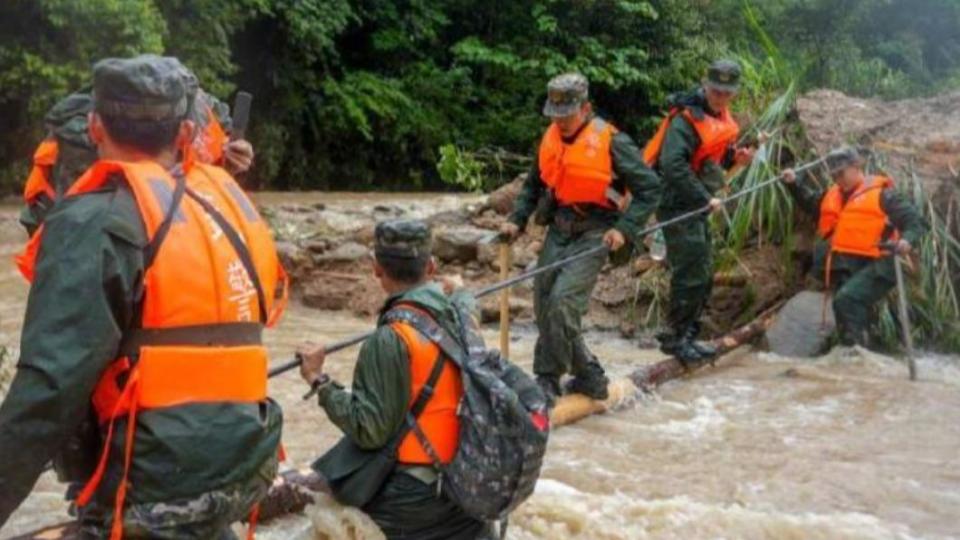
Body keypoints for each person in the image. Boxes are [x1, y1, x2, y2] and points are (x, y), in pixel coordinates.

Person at [0, 54, 285, 539]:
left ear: (93, 127)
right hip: (244, 470)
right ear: (184, 136)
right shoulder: (228, 209)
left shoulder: (93, 220)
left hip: (150, 485)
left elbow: (47, 393)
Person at [297, 219, 494, 539]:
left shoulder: (389, 340)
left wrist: (318, 379)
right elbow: (468, 304)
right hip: (468, 486)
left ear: (377, 269)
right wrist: (459, 289)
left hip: (417, 498)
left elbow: (369, 429)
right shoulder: (461, 317)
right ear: (430, 267)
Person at [499, 73, 662, 404]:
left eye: (567, 115)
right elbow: (534, 184)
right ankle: (588, 374)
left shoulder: (613, 141)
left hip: (597, 231)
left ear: (585, 108)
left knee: (562, 304)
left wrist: (625, 228)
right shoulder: (551, 139)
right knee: (545, 303)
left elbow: (650, 189)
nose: (560, 122)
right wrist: (516, 220)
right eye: (555, 115)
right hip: (559, 228)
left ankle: (547, 378)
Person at [18, 69, 253, 237]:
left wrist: (233, 161)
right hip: (69, 222)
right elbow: (82, 228)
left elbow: (220, 157)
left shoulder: (206, 111)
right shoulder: (94, 138)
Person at [643, 59, 755, 365]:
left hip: (698, 204)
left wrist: (736, 158)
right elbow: (673, 165)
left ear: (733, 93)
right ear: (705, 85)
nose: (720, 97)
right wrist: (705, 197)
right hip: (678, 203)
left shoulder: (720, 117)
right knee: (690, 272)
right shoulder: (685, 120)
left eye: (726, 93)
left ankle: (688, 335)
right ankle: (674, 338)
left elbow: (713, 157)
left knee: (703, 272)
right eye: (715, 91)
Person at [781, 147, 927, 347]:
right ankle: (855, 355)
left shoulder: (883, 195)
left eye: (841, 173)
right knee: (844, 306)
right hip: (849, 265)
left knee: (846, 299)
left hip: (882, 264)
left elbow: (915, 221)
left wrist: (907, 240)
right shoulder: (833, 195)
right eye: (834, 175)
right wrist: (794, 184)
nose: (838, 178)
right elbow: (811, 203)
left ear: (856, 167)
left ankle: (856, 352)